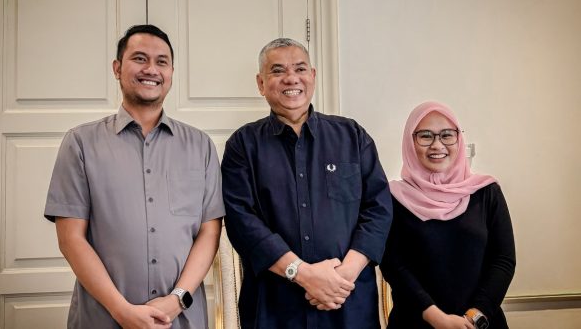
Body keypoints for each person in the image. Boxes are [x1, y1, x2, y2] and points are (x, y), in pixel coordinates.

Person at [44, 24, 224, 329]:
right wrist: (121, 311)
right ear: (117, 68)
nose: (151, 69)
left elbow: (209, 233)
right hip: (102, 319)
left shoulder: (201, 146)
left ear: (171, 72)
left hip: (181, 320)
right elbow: (71, 239)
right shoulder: (80, 143)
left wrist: (176, 301)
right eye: (140, 59)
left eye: (161, 61)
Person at [221, 38, 393, 329]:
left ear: (312, 76)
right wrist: (302, 274)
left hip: (348, 302)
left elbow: (378, 210)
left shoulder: (352, 136)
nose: (291, 78)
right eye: (278, 71)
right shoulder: (243, 145)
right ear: (261, 83)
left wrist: (342, 278)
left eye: (300, 68)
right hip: (274, 307)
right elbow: (241, 220)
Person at [380, 101, 516, 329]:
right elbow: (394, 265)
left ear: (459, 139)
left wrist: (475, 316)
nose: (437, 145)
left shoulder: (486, 192)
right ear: (410, 142)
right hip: (416, 322)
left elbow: (503, 260)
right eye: (425, 136)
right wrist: (437, 318)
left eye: (446, 135)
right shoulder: (393, 197)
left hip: (480, 322)